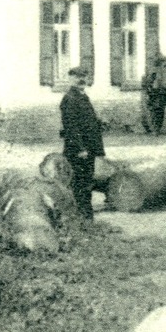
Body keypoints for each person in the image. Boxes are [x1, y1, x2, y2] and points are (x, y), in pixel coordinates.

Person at [58, 64, 104, 221]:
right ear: (70, 79)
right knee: (79, 184)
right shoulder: (70, 99)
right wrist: (80, 148)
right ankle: (83, 218)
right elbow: (71, 127)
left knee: (86, 183)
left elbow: (86, 122)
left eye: (84, 76)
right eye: (77, 77)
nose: (81, 79)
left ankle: (86, 217)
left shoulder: (82, 97)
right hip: (78, 150)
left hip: (88, 149)